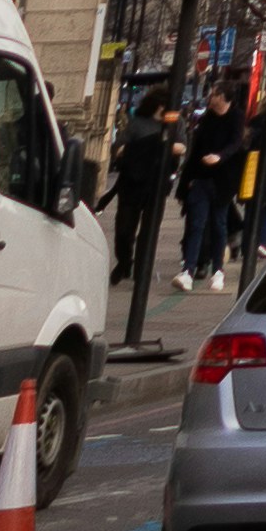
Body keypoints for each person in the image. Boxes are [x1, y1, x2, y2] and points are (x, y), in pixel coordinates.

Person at [105, 85, 177, 351]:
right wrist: (130, 150)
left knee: (149, 231)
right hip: (132, 183)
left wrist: (170, 145)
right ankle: (125, 261)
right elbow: (119, 147)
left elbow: (181, 147)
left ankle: (141, 269)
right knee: (124, 228)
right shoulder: (138, 123)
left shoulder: (173, 125)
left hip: (156, 186)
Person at [179, 86, 244, 295]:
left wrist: (220, 157)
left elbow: (236, 144)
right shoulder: (207, 118)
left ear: (223, 97)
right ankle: (187, 271)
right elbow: (195, 150)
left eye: (215, 94)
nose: (210, 97)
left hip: (223, 182)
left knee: (219, 225)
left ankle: (218, 271)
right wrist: (188, 179)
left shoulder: (236, 117)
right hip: (201, 179)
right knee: (196, 224)